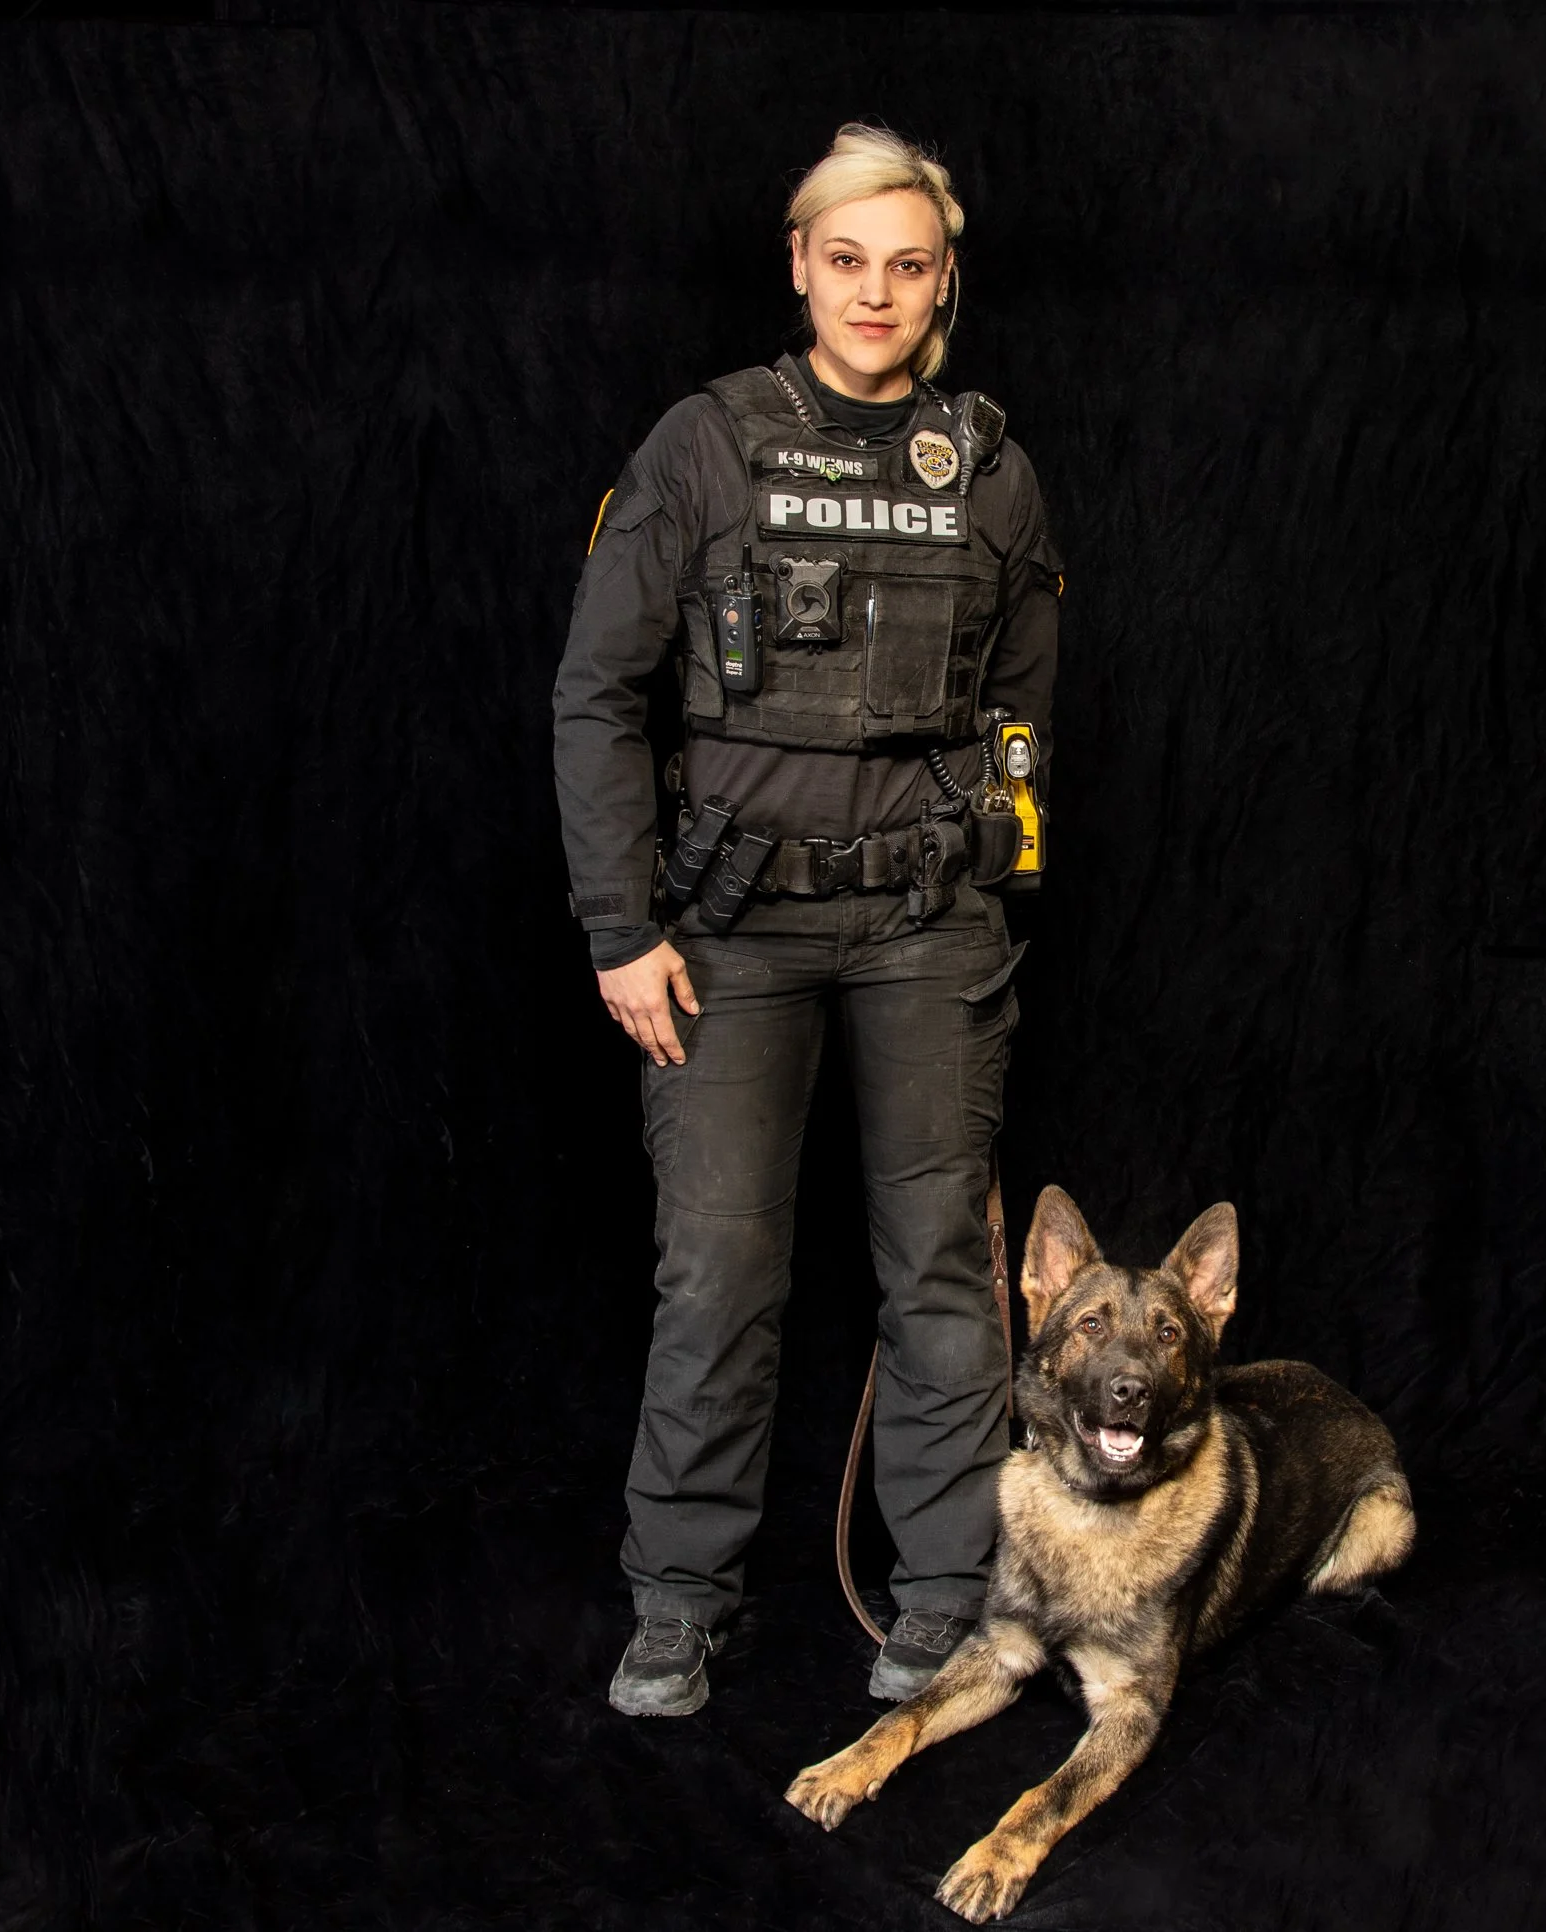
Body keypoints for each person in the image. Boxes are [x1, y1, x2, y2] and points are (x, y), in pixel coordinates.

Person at [552, 123, 1060, 1716]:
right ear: (800, 264)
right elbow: (596, 695)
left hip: (926, 931)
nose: (876, 292)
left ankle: (945, 1598)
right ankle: (682, 1598)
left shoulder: (988, 468)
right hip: (728, 939)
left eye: (908, 266)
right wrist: (618, 926)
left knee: (939, 1275)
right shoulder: (703, 449)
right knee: (715, 1272)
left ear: (943, 280)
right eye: (847, 259)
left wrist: (999, 899)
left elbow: (1026, 726)